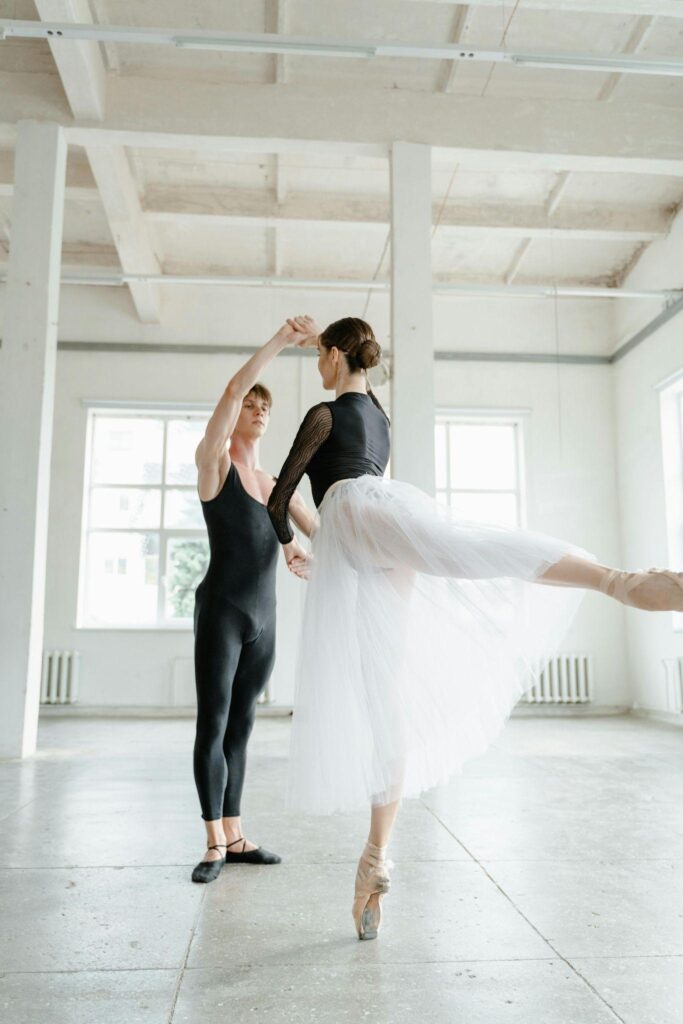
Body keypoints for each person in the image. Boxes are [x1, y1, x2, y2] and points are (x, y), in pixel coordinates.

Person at [267, 314, 683, 939]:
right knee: (466, 559)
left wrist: (288, 547)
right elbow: (334, 489)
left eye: (320, 357)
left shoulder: (324, 414)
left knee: (390, 692)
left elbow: (281, 497)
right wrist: (316, 544)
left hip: (354, 531)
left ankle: (378, 856)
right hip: (372, 528)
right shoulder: (380, 418)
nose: (317, 368)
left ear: (332, 355)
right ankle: (613, 580)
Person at [191, 320, 315, 884]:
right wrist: (281, 341)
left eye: (266, 406)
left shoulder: (274, 484)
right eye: (252, 405)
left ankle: (237, 835)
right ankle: (213, 841)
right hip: (222, 610)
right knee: (213, 723)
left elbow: (320, 530)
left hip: (265, 620)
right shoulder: (215, 466)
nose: (259, 410)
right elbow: (232, 390)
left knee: (243, 726)